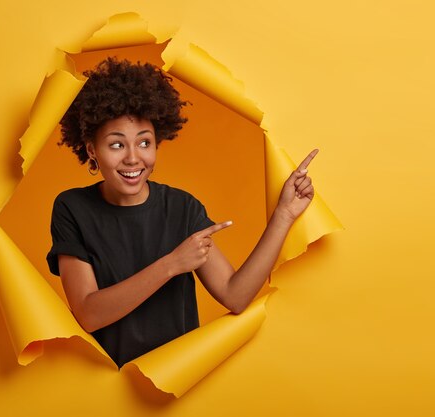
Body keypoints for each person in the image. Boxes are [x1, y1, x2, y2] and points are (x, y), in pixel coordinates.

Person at [47, 58, 317, 368]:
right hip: (106, 386)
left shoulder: (182, 208)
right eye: (117, 145)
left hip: (176, 381)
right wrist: (172, 264)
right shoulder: (72, 208)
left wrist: (284, 214)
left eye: (144, 142)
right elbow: (88, 314)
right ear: (92, 150)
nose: (134, 158)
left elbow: (235, 296)